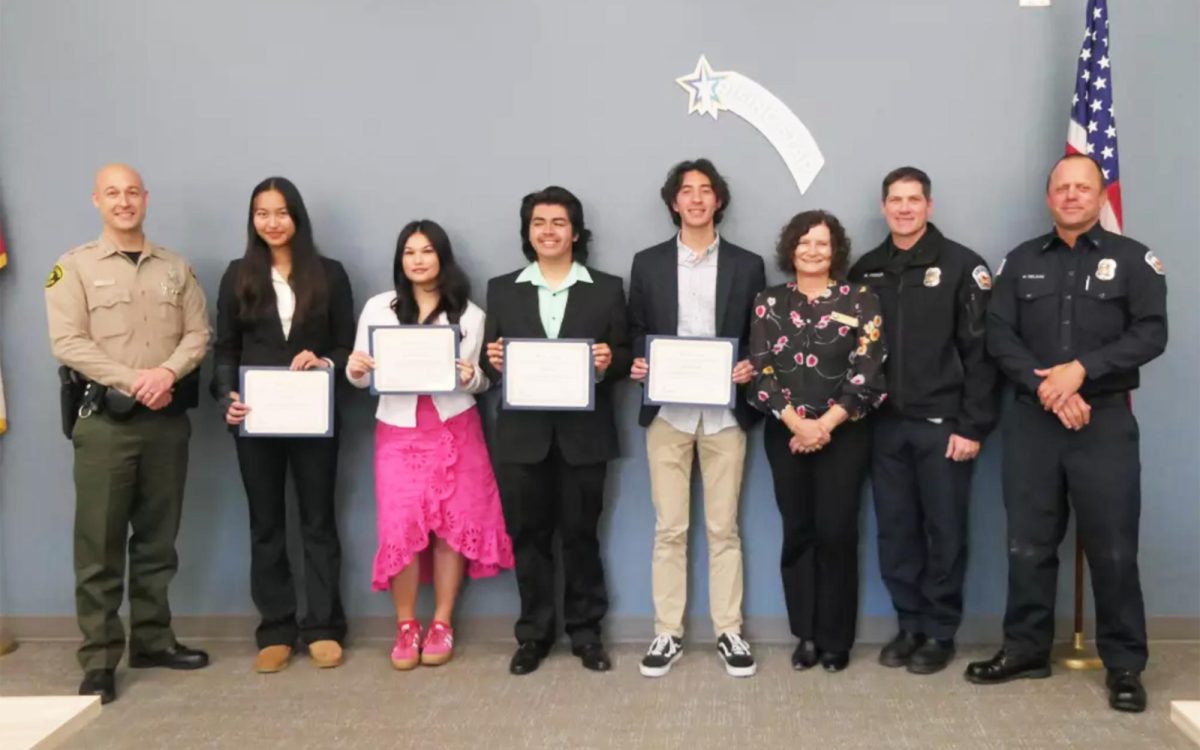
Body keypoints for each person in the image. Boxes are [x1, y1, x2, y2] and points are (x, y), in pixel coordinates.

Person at [967, 153, 1168, 713]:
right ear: (1048, 197)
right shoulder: (1021, 261)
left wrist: (1081, 372)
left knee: (1113, 548)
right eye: (1062, 188)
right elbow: (999, 336)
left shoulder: (1135, 260)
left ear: (1102, 197)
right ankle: (1027, 649)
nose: (1072, 195)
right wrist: (1049, 391)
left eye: (1084, 187)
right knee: (1028, 544)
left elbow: (1151, 334)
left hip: (1103, 419)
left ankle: (1125, 665)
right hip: (1034, 420)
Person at [45, 163, 211, 704]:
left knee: (159, 541)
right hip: (106, 426)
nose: (124, 201)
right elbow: (68, 342)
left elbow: (198, 333)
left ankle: (153, 639)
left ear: (146, 198)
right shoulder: (72, 269)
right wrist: (134, 380)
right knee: (99, 545)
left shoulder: (175, 268)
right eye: (112, 193)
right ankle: (98, 659)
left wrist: (164, 375)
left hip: (165, 422)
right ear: (95, 200)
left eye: (132, 192)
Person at [848, 167, 999, 674]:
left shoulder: (962, 266)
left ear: (929, 206)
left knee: (945, 530)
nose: (905, 208)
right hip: (884, 426)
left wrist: (973, 425)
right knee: (896, 530)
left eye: (914, 200)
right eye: (896, 200)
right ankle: (909, 623)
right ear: (884, 207)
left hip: (944, 425)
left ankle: (939, 631)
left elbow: (981, 354)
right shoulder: (866, 269)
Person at [346, 219, 514, 670]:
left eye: (427, 252)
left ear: (442, 257)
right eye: (409, 252)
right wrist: (356, 369)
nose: (418, 260)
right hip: (398, 430)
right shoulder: (379, 308)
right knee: (401, 530)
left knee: (449, 529)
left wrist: (471, 376)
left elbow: (482, 381)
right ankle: (406, 625)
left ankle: (441, 621)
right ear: (400, 260)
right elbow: (360, 375)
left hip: (454, 428)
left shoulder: (470, 314)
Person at [481, 186, 631, 675]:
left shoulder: (607, 288)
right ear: (528, 232)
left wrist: (609, 362)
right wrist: (495, 359)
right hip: (522, 438)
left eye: (559, 222)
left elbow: (626, 354)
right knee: (529, 537)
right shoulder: (502, 288)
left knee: (581, 536)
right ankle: (534, 635)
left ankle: (586, 634)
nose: (549, 231)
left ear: (576, 232)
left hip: (584, 436)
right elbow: (494, 357)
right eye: (539, 222)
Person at [627, 159, 765, 678]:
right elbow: (637, 328)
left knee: (724, 527)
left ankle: (729, 631)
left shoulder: (747, 265)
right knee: (670, 529)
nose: (697, 199)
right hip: (669, 413)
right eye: (687, 191)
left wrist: (752, 363)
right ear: (673, 203)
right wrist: (640, 360)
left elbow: (759, 332)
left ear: (719, 201)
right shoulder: (648, 262)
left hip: (726, 414)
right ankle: (667, 633)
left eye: (706, 191)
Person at [212, 177, 354, 674]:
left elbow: (346, 347)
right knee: (266, 522)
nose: (272, 222)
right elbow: (225, 347)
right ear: (252, 220)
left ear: (298, 216)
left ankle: (323, 627)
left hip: (314, 416)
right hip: (256, 419)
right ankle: (276, 628)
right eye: (261, 213)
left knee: (317, 521)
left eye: (281, 212)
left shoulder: (330, 274)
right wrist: (227, 395)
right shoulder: (237, 275)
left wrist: (325, 364)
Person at [747, 210, 887, 673]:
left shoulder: (862, 299)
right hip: (785, 432)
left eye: (822, 244)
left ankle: (835, 639)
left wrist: (824, 425)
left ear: (836, 252)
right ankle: (805, 635)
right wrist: (797, 424)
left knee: (838, 533)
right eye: (804, 242)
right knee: (799, 531)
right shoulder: (767, 302)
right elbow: (761, 372)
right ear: (791, 249)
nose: (813, 251)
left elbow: (868, 370)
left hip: (843, 433)